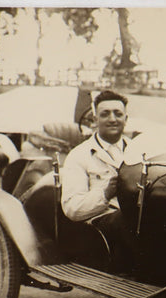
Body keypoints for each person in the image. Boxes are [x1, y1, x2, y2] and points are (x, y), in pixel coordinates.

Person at [60, 90, 135, 270]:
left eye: (118, 114)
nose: (112, 119)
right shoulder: (79, 155)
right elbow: (72, 208)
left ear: (126, 118)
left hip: (134, 218)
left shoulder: (138, 151)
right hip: (98, 226)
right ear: (95, 120)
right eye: (105, 114)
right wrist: (105, 194)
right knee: (127, 220)